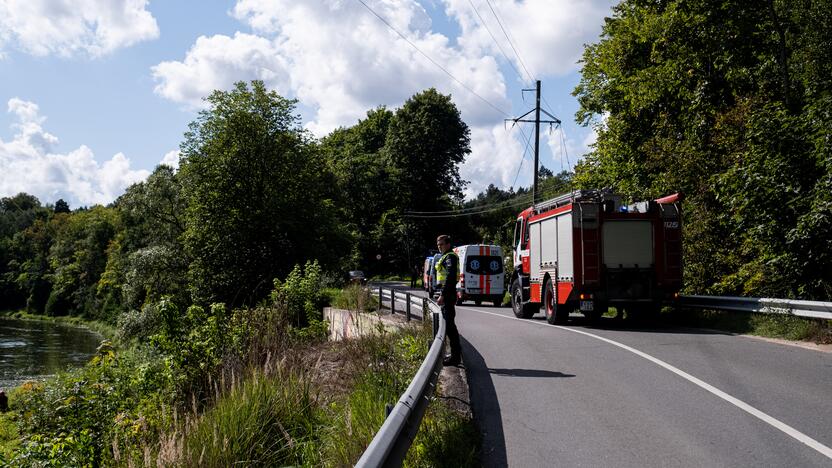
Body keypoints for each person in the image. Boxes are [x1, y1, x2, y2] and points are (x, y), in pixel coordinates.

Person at [435, 234, 461, 366]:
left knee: (450, 327)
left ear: (448, 244)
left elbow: (450, 277)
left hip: (448, 294)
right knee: (449, 326)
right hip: (448, 293)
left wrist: (443, 295)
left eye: (442, 244)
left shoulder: (450, 256)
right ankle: (455, 356)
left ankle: (455, 358)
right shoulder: (446, 256)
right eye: (438, 244)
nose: (439, 247)